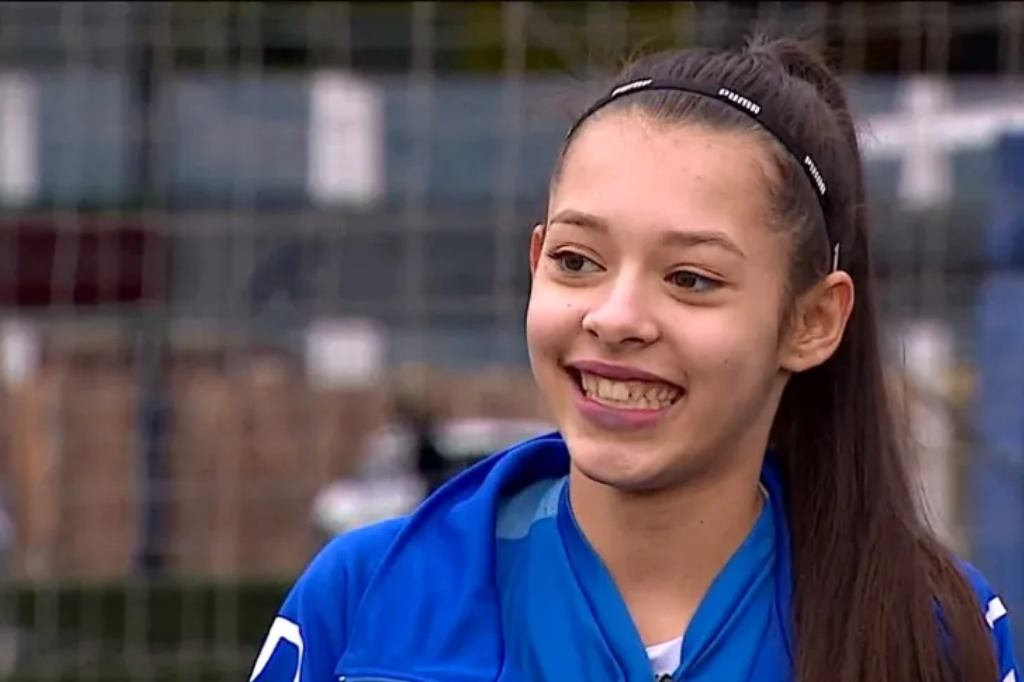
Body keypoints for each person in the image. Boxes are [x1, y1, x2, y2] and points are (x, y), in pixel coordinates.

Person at [249, 31, 1021, 682]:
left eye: (690, 279)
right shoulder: (369, 598)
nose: (615, 318)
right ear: (536, 260)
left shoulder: (938, 630)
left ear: (813, 321)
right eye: (578, 262)